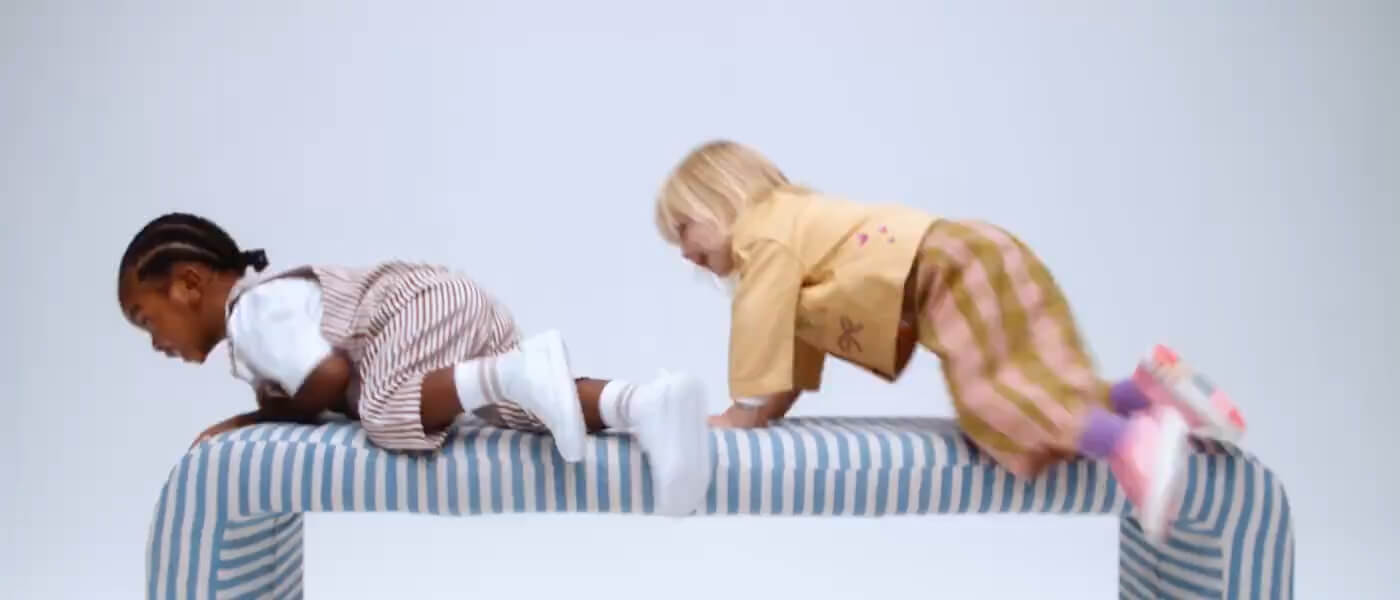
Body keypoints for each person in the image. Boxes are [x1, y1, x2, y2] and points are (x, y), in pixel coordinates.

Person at [650, 139, 1246, 539]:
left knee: (993, 403)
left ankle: (1129, 444)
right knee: (1042, 379)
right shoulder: (793, 223)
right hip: (975, 248)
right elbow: (794, 337)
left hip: (946, 271)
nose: (684, 253)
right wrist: (766, 411)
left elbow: (760, 323)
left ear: (721, 197)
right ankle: (1145, 394)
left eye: (683, 229)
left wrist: (741, 412)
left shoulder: (762, 239)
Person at [116, 213, 711, 516]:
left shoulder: (251, 316)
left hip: (416, 308)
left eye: (147, 320)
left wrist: (254, 420)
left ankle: (514, 371)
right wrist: (260, 412)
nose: (155, 342)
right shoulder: (260, 320)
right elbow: (302, 391)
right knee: (524, 411)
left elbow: (328, 378)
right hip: (443, 304)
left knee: (383, 411)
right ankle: (644, 403)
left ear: (188, 284)